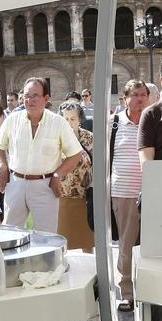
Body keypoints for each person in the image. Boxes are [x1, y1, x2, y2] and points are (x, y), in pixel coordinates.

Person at [0, 77, 84, 232]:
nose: (30, 100)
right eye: (27, 96)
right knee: (9, 233)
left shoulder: (58, 122)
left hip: (46, 185)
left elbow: (75, 154)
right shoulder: (13, 119)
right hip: (16, 183)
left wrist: (58, 175)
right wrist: (3, 167)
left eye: (35, 96)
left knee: (46, 236)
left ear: (46, 98)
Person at [111, 80, 150, 310]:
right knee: (126, 244)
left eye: (143, 94)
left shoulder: (153, 122)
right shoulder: (114, 124)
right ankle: (127, 292)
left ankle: (147, 290)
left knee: (150, 244)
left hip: (151, 192)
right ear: (125, 98)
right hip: (123, 192)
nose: (139, 99)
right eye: (134, 94)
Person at [57, 101, 94, 252]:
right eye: (65, 119)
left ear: (80, 120)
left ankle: (91, 271)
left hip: (85, 197)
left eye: (73, 119)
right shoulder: (55, 138)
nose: (69, 122)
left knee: (87, 241)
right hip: (62, 196)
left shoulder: (89, 138)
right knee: (63, 241)